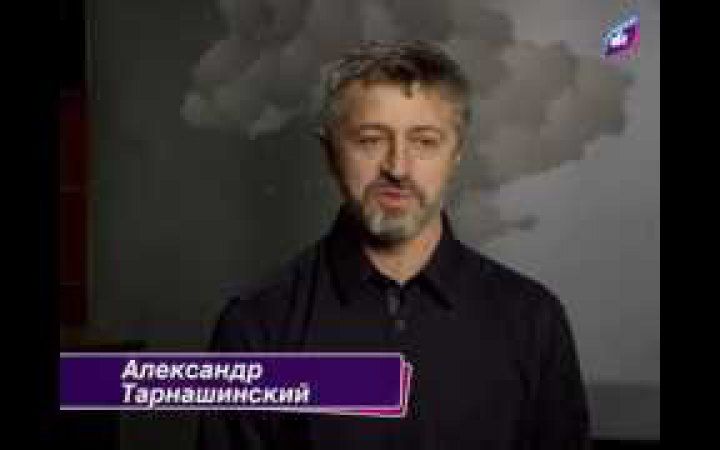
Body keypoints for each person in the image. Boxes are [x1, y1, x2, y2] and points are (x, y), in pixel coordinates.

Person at [197, 39, 590, 450]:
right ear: (330, 153)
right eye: (370, 140)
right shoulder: (257, 326)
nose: (398, 168)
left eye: (425, 141)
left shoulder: (533, 321)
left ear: (456, 155)